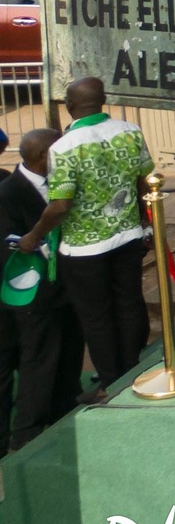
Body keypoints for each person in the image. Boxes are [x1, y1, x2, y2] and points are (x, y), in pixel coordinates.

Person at [15, 80, 150, 393]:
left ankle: (111, 380)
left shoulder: (63, 146)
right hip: (127, 234)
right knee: (129, 303)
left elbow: (61, 205)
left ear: (69, 106)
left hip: (84, 248)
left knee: (96, 316)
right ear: (103, 100)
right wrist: (142, 220)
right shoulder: (130, 130)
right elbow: (144, 181)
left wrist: (34, 234)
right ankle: (134, 367)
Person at [0, 129, 84, 449]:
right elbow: (10, 245)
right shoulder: (8, 193)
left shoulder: (60, 183)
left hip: (65, 286)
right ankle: (27, 433)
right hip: (32, 296)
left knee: (70, 350)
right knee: (40, 360)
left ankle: (66, 408)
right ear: (40, 158)